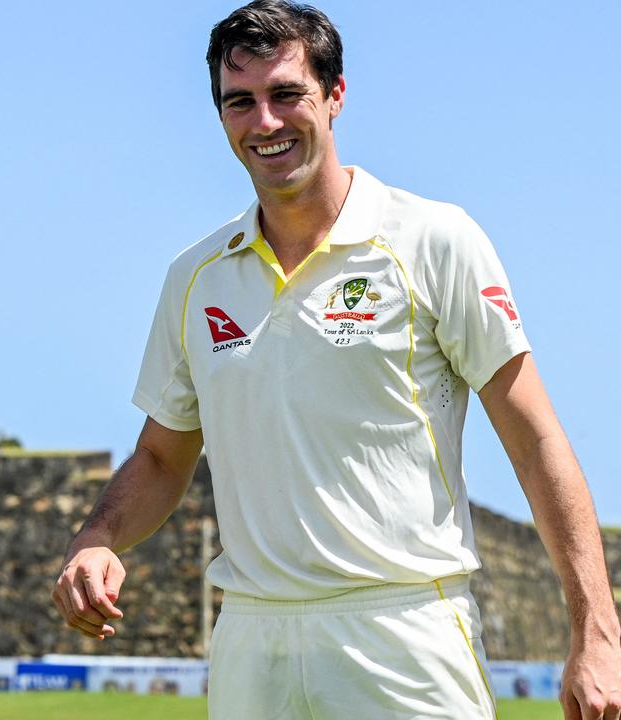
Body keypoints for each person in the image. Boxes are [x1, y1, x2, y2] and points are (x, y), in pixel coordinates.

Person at [50, 3, 621, 718]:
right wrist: (96, 537)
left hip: (403, 632)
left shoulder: (432, 239)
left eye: (287, 94)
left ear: (335, 96)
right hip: (251, 640)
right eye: (240, 102)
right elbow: (164, 459)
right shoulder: (195, 277)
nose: (264, 122)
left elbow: (535, 440)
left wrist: (597, 631)